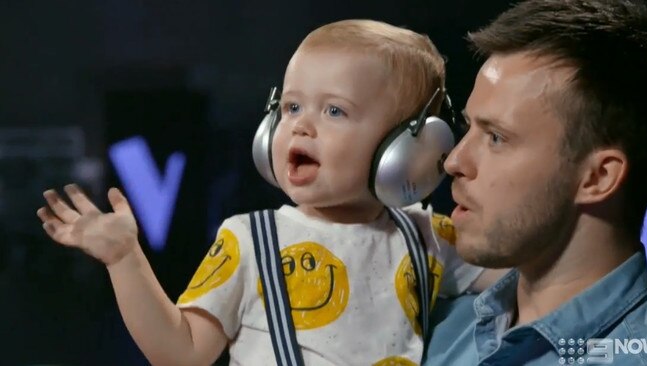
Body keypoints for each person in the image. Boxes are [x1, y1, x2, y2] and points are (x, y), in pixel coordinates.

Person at [37, 20, 503, 366]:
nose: (299, 124)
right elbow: (181, 354)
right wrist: (124, 258)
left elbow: (536, 277)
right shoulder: (248, 240)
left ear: (412, 149)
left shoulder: (430, 238)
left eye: (335, 111)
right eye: (292, 105)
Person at [423, 0, 647, 365]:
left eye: (496, 137)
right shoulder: (432, 329)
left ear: (598, 177)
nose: (453, 162)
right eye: (468, 128)